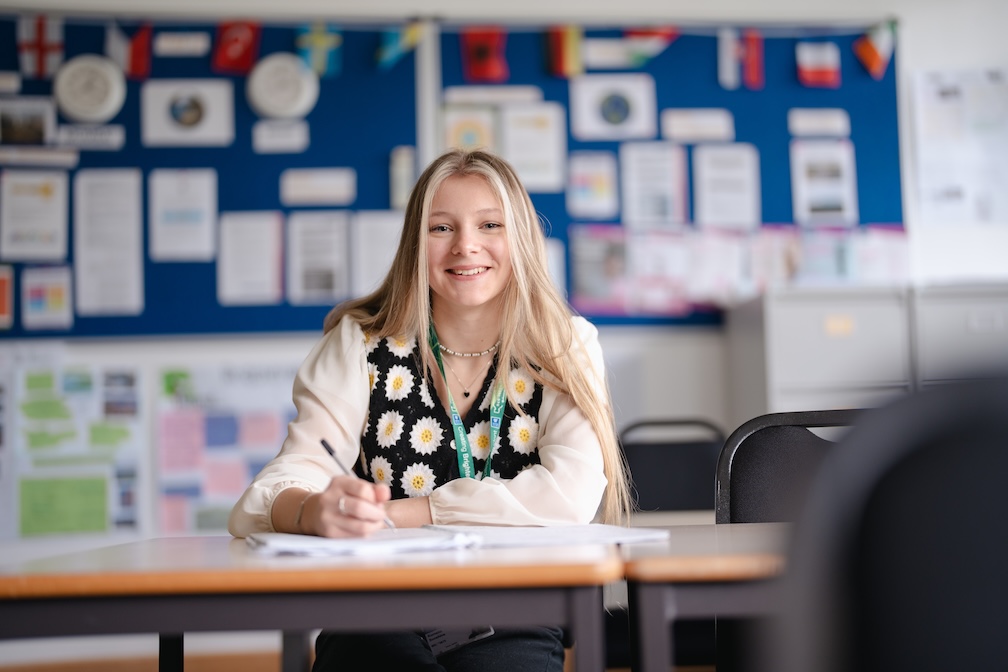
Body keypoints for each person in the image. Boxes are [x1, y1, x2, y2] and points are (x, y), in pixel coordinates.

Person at [228, 148, 631, 672]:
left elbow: (570, 495)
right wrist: (310, 510)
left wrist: (413, 513)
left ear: (523, 239)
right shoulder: (359, 345)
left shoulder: (564, 345)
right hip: (376, 607)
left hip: (516, 607)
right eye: (441, 228)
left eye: (490, 224)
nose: (466, 246)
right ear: (415, 245)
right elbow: (276, 485)